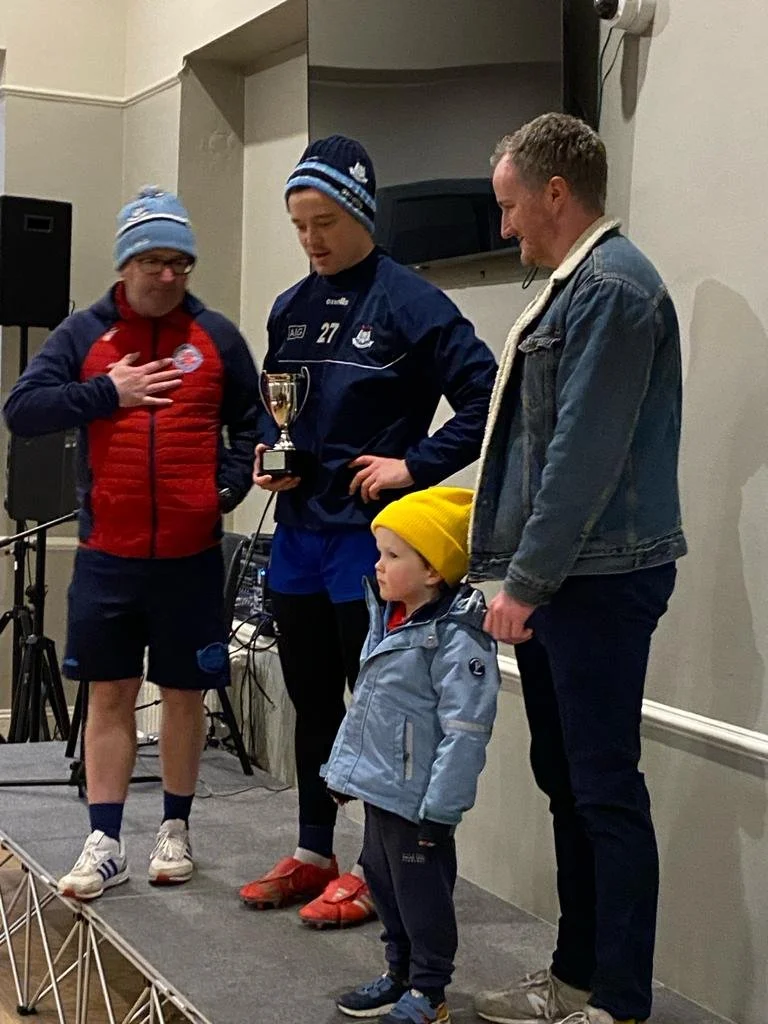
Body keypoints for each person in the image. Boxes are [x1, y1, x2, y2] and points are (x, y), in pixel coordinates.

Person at [239, 136, 497, 928]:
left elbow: (488, 397)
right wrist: (270, 457)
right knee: (312, 698)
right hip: (298, 536)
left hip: (372, 542)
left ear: (360, 214)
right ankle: (314, 851)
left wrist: (414, 466)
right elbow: (273, 409)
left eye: (324, 223)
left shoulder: (410, 301)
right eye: (298, 226)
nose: (311, 240)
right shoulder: (290, 307)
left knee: (382, 710)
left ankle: (374, 870)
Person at [469, 113, 687, 1024]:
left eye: (511, 206)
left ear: (555, 193)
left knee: (602, 791)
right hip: (572, 577)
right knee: (569, 786)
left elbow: (581, 458)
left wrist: (525, 583)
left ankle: (620, 1001)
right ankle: (574, 976)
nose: (506, 227)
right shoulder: (577, 287)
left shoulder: (614, 289)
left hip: (597, 579)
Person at [3, 187, 261, 901]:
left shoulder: (215, 336)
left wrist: (224, 490)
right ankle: (106, 841)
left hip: (189, 557)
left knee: (183, 695)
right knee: (110, 694)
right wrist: (104, 394)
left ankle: (175, 829)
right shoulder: (83, 335)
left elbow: (255, 423)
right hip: (107, 556)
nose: (168, 275)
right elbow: (22, 409)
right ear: (125, 264)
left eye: (180, 262)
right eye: (153, 261)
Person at [324, 487, 499, 1024]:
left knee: (422, 895)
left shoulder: (456, 638)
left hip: (419, 802)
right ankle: (398, 973)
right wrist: (343, 773)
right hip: (380, 790)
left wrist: (441, 809)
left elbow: (465, 731)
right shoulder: (389, 618)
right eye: (379, 552)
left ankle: (429, 991)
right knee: (383, 885)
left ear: (433, 571)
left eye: (393, 555)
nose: (378, 565)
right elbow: (366, 708)